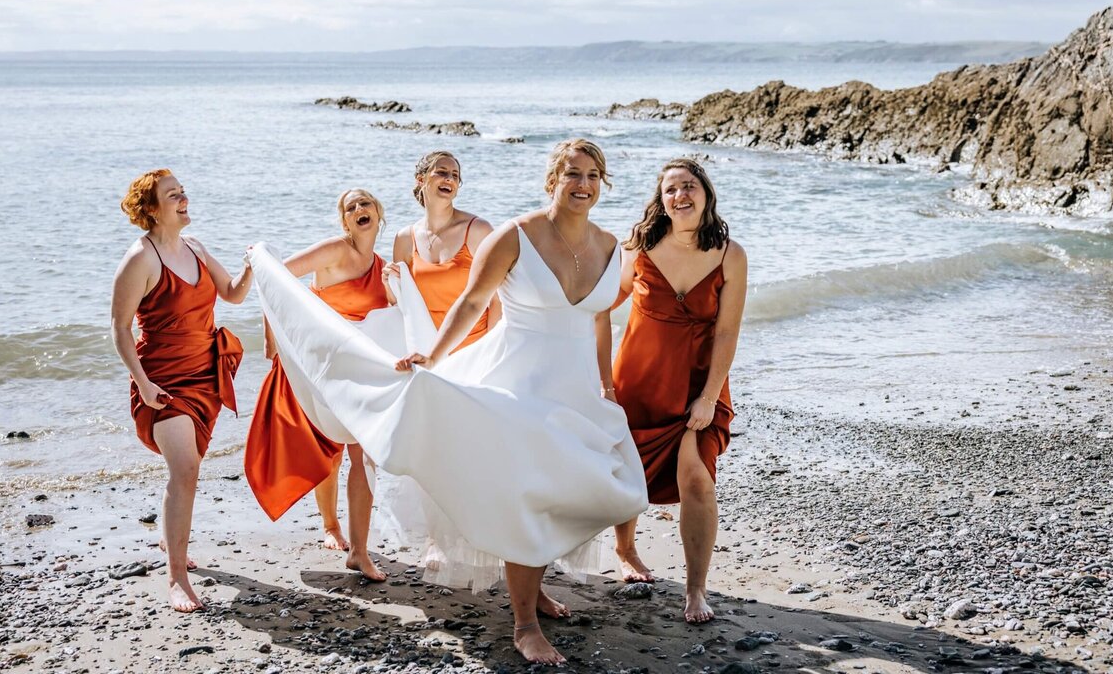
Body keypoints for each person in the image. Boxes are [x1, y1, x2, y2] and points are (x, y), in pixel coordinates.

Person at [247, 139, 647, 667]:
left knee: (599, 488)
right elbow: (472, 302)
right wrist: (432, 358)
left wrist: (607, 383)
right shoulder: (514, 236)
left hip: (574, 387)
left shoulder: (610, 244)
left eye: (594, 175)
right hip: (516, 382)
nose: (584, 185)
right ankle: (524, 621)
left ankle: (534, 585)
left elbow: (599, 321)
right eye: (573, 174)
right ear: (552, 180)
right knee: (528, 489)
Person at [596, 158, 747, 624]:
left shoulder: (729, 254)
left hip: (700, 385)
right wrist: (604, 379)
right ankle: (625, 551)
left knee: (698, 478)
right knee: (630, 472)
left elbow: (727, 333)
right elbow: (599, 307)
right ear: (660, 202)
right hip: (639, 380)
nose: (680, 195)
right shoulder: (639, 247)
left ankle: (696, 589)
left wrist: (709, 395)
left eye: (689, 186)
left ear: (706, 192)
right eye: (670, 190)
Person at [110, 169, 252, 613]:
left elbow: (232, 294)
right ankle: (176, 578)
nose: (184, 199)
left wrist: (255, 264)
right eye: (173, 195)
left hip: (206, 374)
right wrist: (143, 383)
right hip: (163, 381)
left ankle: (172, 544)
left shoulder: (196, 247)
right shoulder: (141, 259)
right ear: (151, 209)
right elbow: (118, 328)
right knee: (186, 470)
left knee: (188, 471)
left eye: (183, 192)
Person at [244, 188, 389, 582]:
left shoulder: (381, 264)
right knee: (330, 452)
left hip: (356, 369)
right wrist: (271, 336)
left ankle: (359, 551)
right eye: (351, 206)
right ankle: (330, 526)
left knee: (363, 455)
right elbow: (273, 278)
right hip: (319, 367)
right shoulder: (334, 250)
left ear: (379, 214)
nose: (360, 209)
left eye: (366, 204)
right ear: (345, 220)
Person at [383, 150, 500, 347]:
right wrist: (388, 282)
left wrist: (492, 350)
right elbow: (401, 305)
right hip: (427, 352)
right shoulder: (404, 239)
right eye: (442, 172)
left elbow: (498, 300)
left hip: (474, 351)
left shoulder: (478, 230)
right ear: (421, 179)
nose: (450, 179)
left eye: (455, 175)